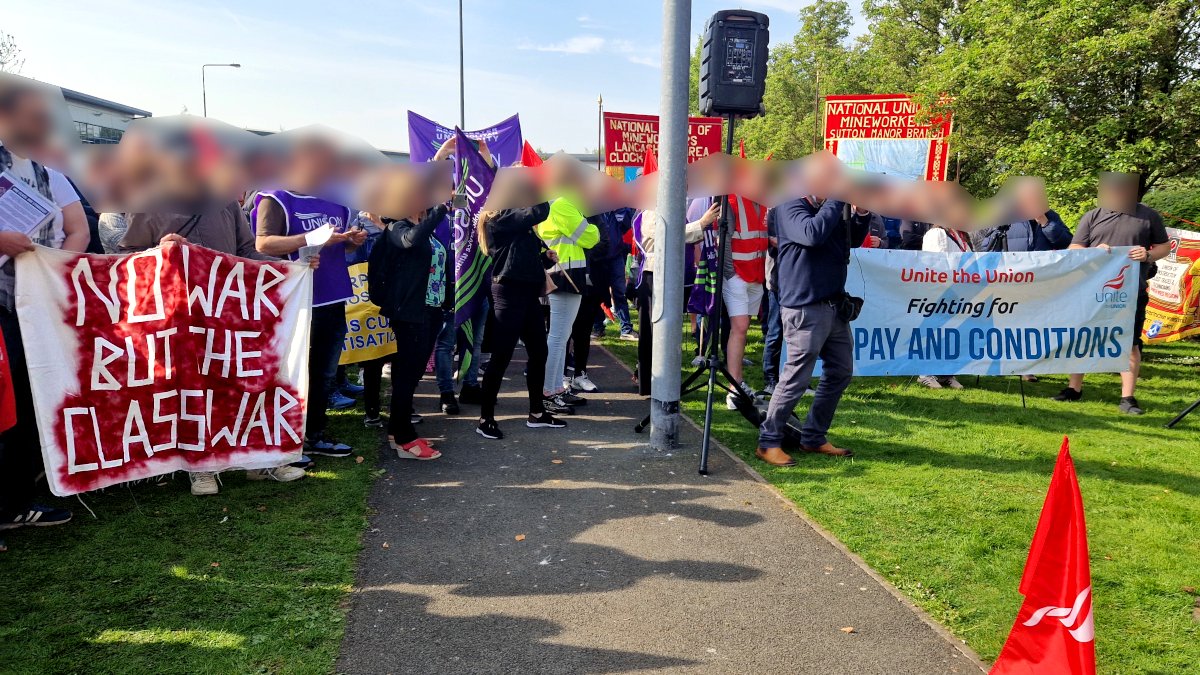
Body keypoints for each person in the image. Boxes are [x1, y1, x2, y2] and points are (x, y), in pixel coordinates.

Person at [122, 205, 310, 493]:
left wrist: (288, 269)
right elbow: (127, 262)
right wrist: (159, 251)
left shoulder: (223, 200)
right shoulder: (147, 204)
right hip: (181, 318)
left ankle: (259, 460)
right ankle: (200, 467)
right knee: (193, 393)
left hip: (230, 312)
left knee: (244, 385)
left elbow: (247, 251)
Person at [0, 81, 91, 530]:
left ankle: (21, 494)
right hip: (2, 303)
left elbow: (78, 229)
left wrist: (54, 267)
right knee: (7, 398)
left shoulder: (47, 172)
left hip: (38, 301)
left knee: (35, 390)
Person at [253, 139, 366, 458]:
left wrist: (350, 242)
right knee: (294, 371)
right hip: (296, 301)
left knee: (325, 373)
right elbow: (263, 244)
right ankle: (288, 439)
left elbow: (336, 248)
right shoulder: (275, 198)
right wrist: (310, 239)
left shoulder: (337, 202)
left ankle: (314, 435)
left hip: (333, 297)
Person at [757, 157, 871, 467]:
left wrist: (860, 213)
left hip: (833, 305)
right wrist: (837, 200)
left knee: (840, 371)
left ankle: (813, 436)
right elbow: (811, 234)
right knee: (796, 375)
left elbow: (849, 240)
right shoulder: (789, 203)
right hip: (805, 305)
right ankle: (769, 442)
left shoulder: (827, 206)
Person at [1053, 173, 1171, 415]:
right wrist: (1093, 251)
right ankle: (1074, 389)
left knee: (1130, 343)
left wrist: (1147, 255)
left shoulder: (1148, 216)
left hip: (1131, 292)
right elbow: (1074, 248)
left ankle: (1127, 398)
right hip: (1091, 292)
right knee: (1083, 338)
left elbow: (1164, 247)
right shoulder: (1093, 216)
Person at [474, 202, 566, 439]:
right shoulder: (499, 216)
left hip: (526, 293)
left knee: (539, 351)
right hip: (508, 292)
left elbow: (522, 258)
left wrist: (545, 258)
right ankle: (485, 419)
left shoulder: (515, 219)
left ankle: (536, 412)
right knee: (501, 356)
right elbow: (538, 211)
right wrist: (541, 187)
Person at [368, 202, 449, 460]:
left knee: (409, 375)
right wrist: (440, 211)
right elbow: (409, 241)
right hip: (411, 313)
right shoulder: (396, 227)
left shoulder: (423, 228)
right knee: (406, 375)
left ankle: (397, 430)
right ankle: (405, 438)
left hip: (431, 311)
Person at [633, 201, 721, 395]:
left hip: (669, 274)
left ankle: (664, 382)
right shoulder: (650, 210)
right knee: (655, 333)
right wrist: (701, 223)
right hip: (654, 275)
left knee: (667, 331)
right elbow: (667, 236)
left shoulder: (668, 207)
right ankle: (651, 384)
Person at [537, 192, 599, 414]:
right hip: (565, 273)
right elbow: (591, 237)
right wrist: (589, 225)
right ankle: (549, 391)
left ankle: (554, 389)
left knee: (560, 337)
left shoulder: (559, 203)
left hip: (565, 272)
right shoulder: (563, 203)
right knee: (558, 338)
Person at [722, 195, 769, 410]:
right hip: (738, 274)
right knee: (739, 328)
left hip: (756, 273)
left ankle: (738, 382)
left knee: (743, 328)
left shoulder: (765, 200)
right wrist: (730, 274)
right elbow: (724, 238)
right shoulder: (732, 201)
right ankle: (734, 389)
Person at [916, 223, 973, 390]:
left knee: (951, 333)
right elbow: (937, 264)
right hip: (941, 291)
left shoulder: (961, 235)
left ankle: (946, 374)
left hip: (959, 292)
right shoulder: (937, 234)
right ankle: (926, 374)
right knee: (935, 332)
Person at [564, 213, 611, 393]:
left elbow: (605, 244)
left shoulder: (595, 215)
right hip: (567, 279)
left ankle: (580, 374)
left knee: (583, 332)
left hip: (591, 283)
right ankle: (562, 376)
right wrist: (586, 243)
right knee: (563, 333)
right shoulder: (563, 209)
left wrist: (581, 246)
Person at [588, 206, 637, 341]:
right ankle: (598, 328)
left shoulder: (619, 208)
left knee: (619, 292)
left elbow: (627, 224)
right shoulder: (592, 208)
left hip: (615, 255)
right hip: (597, 257)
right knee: (597, 293)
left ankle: (626, 329)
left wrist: (621, 211)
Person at [761, 208, 783, 395]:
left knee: (797, 335)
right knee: (775, 331)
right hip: (778, 279)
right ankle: (771, 379)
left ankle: (799, 380)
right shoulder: (775, 208)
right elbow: (772, 240)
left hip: (799, 280)